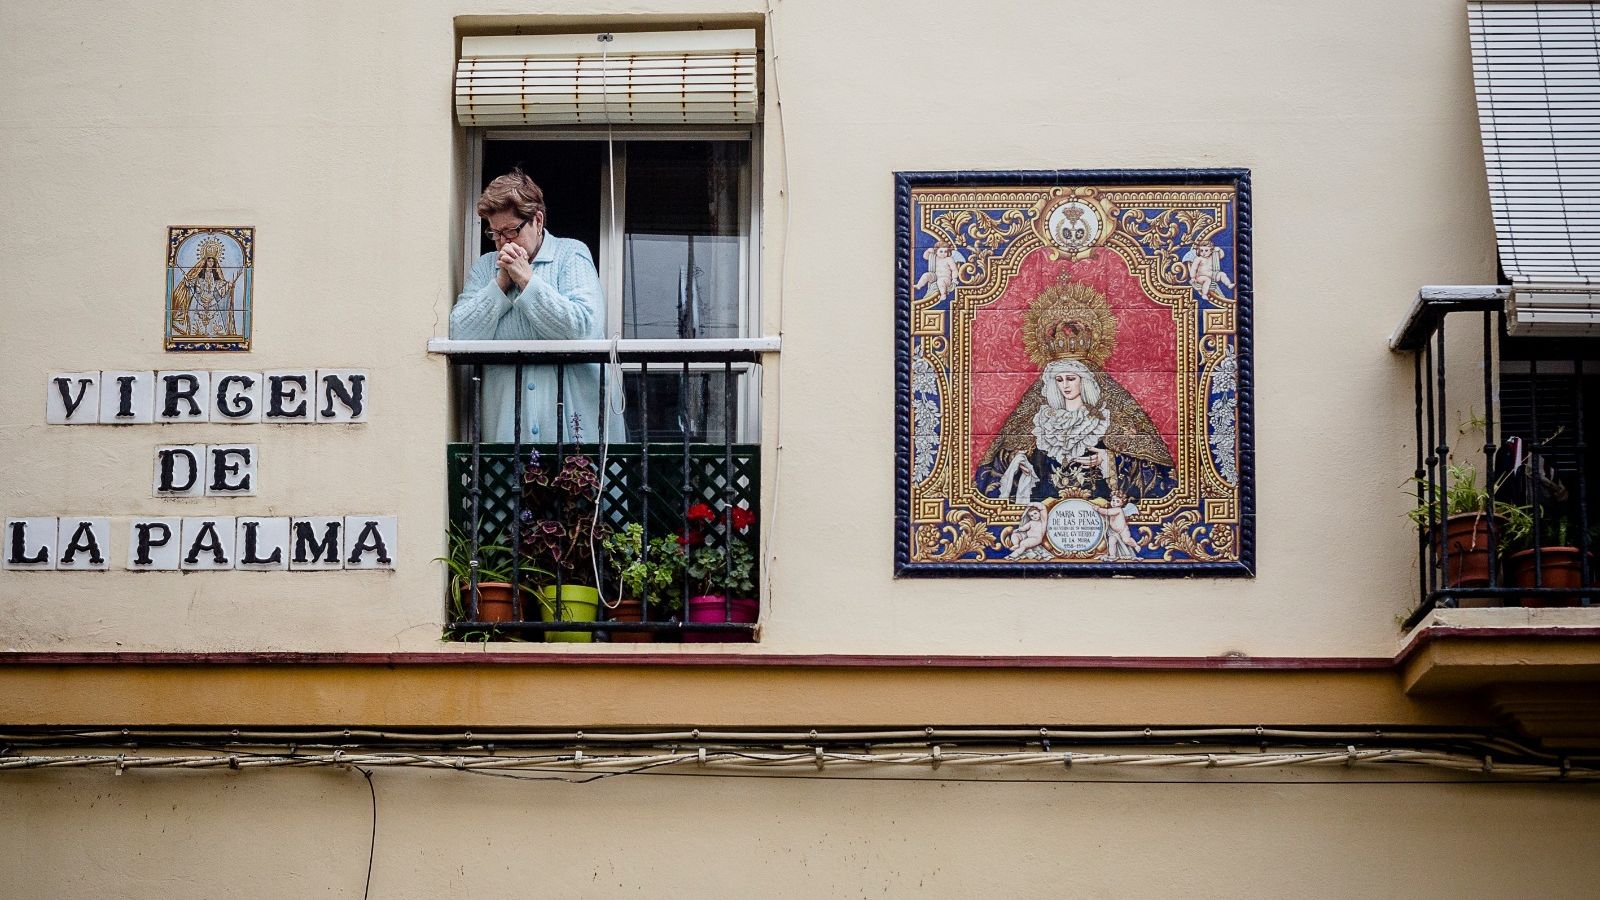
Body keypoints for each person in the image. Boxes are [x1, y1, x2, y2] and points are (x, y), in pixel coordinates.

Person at [450, 169, 610, 444]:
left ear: (537, 220)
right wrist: (501, 282)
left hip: (574, 435)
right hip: (506, 432)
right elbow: (460, 333)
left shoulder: (571, 254)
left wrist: (526, 279)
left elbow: (582, 327)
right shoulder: (486, 267)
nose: (503, 242)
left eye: (511, 231)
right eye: (495, 233)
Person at [976, 357, 1175, 505]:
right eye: (1059, 379)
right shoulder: (1039, 420)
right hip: (1046, 507)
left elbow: (1147, 468)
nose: (1065, 385)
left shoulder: (1107, 420)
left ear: (1084, 380)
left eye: (1071, 378)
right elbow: (1002, 463)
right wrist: (1021, 464)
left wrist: (1108, 459)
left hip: (1098, 505)